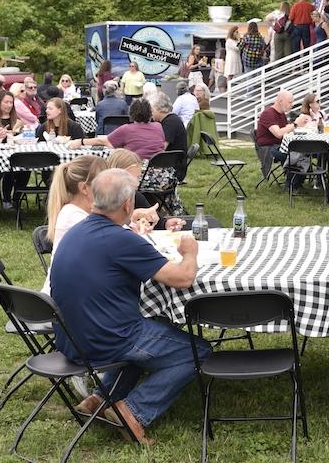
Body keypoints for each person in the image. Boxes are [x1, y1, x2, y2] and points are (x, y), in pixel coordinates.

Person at [51, 168, 211, 444]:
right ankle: (133, 411)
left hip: (71, 338)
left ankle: (100, 399)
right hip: (109, 340)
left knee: (156, 331)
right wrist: (190, 252)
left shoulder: (76, 232)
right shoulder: (120, 238)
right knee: (198, 351)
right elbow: (183, 278)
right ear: (127, 204)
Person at [41, 155, 107, 293]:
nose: (110, 187)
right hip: (66, 301)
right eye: (105, 182)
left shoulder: (82, 213)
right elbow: (111, 246)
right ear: (84, 188)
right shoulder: (74, 217)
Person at [105, 149, 187, 231]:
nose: (137, 183)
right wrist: (133, 217)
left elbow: (156, 220)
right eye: (130, 178)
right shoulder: (104, 199)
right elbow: (108, 225)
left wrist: (166, 224)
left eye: (138, 177)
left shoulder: (136, 196)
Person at [70, 98, 165, 160]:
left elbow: (103, 141)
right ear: (150, 113)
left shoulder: (126, 129)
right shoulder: (158, 126)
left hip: (138, 174)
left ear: (131, 112)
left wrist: (81, 141)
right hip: (161, 175)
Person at [255, 90, 310, 185]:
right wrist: (295, 124)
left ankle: (296, 182)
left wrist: (300, 126)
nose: (292, 105)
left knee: (302, 151)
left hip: (279, 144)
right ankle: (291, 184)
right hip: (268, 147)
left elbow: (286, 130)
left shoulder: (281, 114)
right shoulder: (268, 113)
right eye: (290, 102)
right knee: (294, 155)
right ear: (280, 101)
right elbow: (279, 133)